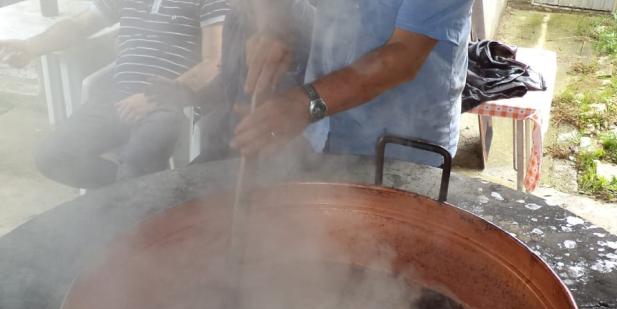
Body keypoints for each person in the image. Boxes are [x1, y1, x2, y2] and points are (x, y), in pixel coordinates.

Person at [0, 0, 230, 189]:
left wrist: (155, 98)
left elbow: (213, 62)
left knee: (137, 164)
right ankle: (146, 191)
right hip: (114, 98)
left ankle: (136, 194)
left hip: (165, 103)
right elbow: (78, 26)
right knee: (50, 155)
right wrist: (31, 46)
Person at [231, 0, 473, 166]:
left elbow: (404, 56)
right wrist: (274, 29)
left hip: (403, 148)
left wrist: (305, 104)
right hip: (321, 131)